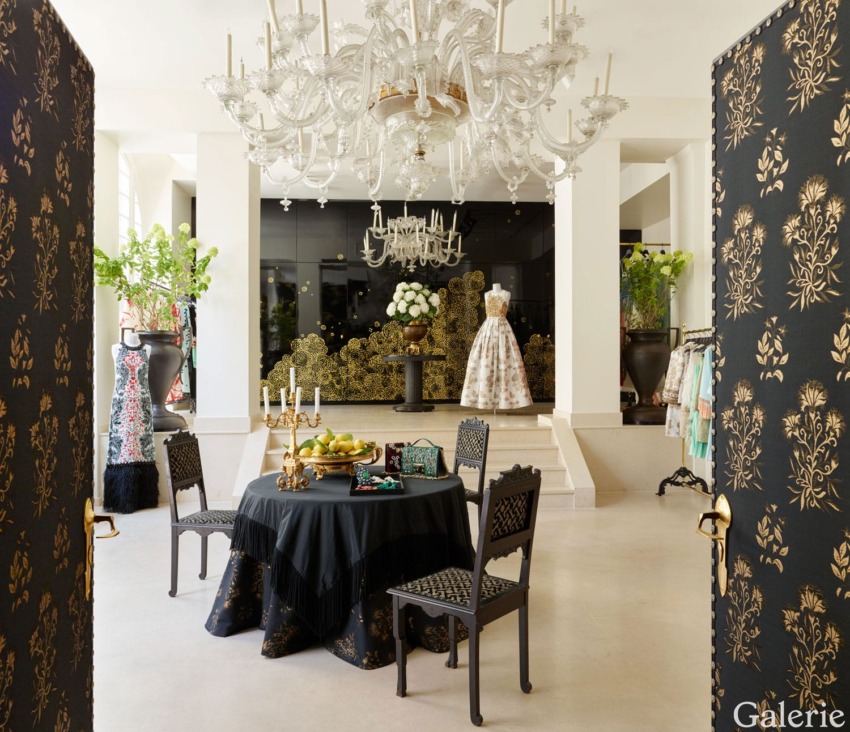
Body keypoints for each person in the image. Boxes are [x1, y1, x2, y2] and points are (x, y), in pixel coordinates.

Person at [103, 332, 159, 512]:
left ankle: (144, 498)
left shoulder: (147, 349)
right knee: (123, 450)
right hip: (121, 405)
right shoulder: (116, 349)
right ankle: (121, 497)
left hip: (142, 405)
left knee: (142, 448)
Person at [460, 283, 533, 411]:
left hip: (503, 330)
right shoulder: (487, 294)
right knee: (485, 361)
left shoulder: (506, 294)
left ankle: (505, 400)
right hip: (488, 330)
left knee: (505, 361)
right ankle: (485, 398)